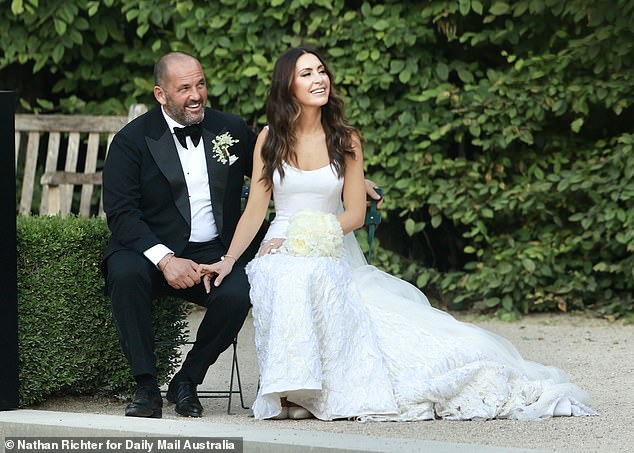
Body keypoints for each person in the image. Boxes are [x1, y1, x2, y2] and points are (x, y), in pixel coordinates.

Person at [199, 46, 597, 421]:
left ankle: (309, 392)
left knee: (318, 279)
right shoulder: (270, 139)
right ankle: (288, 390)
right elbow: (256, 209)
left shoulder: (345, 139)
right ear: (288, 86)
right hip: (279, 242)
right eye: (307, 74)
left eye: (321, 71)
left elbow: (353, 215)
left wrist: (306, 234)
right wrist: (231, 258)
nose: (319, 79)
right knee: (278, 273)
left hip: (329, 238)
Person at [102, 51, 383, 419]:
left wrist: (352, 177)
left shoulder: (229, 129)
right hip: (152, 253)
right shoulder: (130, 141)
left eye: (200, 84)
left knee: (241, 290)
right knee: (124, 273)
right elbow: (121, 215)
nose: (196, 94)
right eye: (184, 88)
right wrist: (166, 259)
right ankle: (146, 387)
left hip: (215, 249)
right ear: (161, 95)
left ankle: (187, 380)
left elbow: (288, 158)